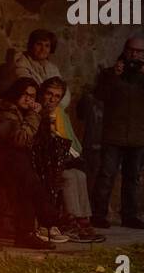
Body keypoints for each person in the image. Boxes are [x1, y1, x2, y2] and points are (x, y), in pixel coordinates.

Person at [90, 37, 144, 228]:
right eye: (131, 50)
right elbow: (100, 95)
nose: (135, 54)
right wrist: (114, 76)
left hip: (138, 136)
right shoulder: (110, 72)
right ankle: (98, 215)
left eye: (139, 51)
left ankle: (129, 216)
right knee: (106, 176)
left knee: (132, 178)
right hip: (113, 135)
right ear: (125, 50)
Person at [34, 77, 103, 242]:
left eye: (57, 96)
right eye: (49, 94)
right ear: (42, 94)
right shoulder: (36, 111)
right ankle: (69, 221)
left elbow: (73, 142)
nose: (52, 99)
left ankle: (83, 220)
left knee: (80, 175)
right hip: (43, 162)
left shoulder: (61, 115)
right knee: (70, 177)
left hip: (61, 158)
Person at [0, 78, 58, 249]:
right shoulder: (5, 109)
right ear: (16, 93)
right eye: (25, 95)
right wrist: (34, 115)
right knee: (26, 176)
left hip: (20, 165)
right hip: (0, 160)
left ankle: (28, 233)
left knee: (27, 181)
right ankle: (47, 215)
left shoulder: (24, 112)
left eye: (32, 96)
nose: (28, 99)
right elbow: (21, 139)